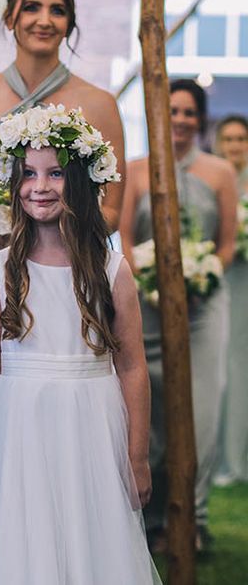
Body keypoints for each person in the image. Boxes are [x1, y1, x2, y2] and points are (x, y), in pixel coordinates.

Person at [0, 0, 126, 583]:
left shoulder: (98, 102)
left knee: (65, 445)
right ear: (10, 15)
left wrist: (50, 232)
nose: (45, 19)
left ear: (70, 22)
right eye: (32, 6)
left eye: (58, 9)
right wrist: (2, 235)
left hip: (69, 285)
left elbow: (115, 204)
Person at [0, 106, 159, 584]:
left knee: (92, 540)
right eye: (28, 174)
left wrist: (135, 455)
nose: (40, 186)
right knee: (26, 545)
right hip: (21, 432)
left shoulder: (112, 270)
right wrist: (10, 424)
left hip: (93, 425)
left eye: (54, 174)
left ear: (80, 179)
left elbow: (132, 366)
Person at [119, 78, 237, 550]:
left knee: (202, 413)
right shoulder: (136, 170)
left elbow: (226, 244)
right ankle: (148, 521)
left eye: (190, 112)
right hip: (146, 309)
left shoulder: (220, 172)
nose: (182, 120)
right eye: (173, 111)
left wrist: (198, 281)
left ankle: (195, 518)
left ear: (200, 119)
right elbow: (123, 240)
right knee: (151, 414)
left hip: (204, 309)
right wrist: (151, 284)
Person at [214, 114, 248, 484]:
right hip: (226, 282)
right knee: (231, 369)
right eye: (229, 139)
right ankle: (228, 458)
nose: (235, 146)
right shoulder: (216, 180)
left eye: (241, 139)